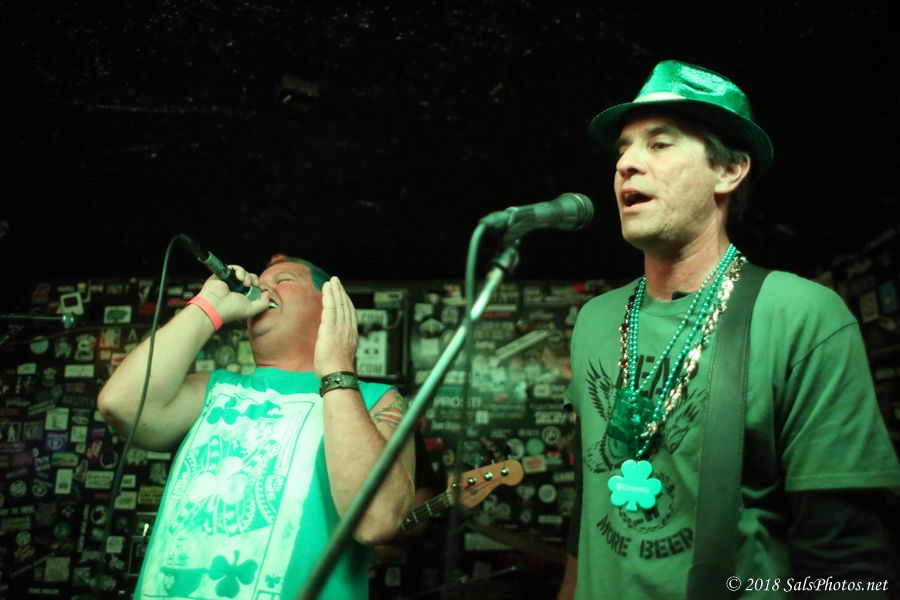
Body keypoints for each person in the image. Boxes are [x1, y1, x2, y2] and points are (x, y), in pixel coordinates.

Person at [558, 60, 900, 599]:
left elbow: (845, 551)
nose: (626, 164)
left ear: (729, 170)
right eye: (623, 149)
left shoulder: (800, 314)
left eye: (660, 144)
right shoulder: (594, 320)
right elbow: (592, 490)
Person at [98, 253, 415, 599]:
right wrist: (209, 305)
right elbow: (121, 404)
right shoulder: (215, 388)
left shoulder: (374, 400)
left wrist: (338, 368)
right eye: (261, 282)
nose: (263, 288)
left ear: (329, 304)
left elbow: (376, 520)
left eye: (284, 280)